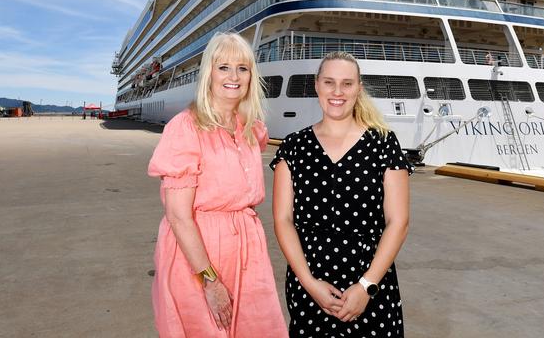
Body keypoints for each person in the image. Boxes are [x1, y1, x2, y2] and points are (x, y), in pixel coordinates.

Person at [148, 32, 288, 338]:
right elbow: (178, 217)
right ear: (208, 72)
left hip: (248, 249)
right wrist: (209, 281)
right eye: (223, 67)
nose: (234, 76)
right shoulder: (185, 128)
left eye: (243, 68)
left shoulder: (250, 128)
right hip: (199, 251)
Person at [271, 51, 412, 337]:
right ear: (317, 85)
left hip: (372, 286)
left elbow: (398, 221)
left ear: (359, 88)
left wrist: (366, 286)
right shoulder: (293, 147)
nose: (337, 92)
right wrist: (309, 283)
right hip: (310, 285)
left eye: (347, 84)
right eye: (329, 82)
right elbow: (283, 220)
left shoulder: (383, 143)